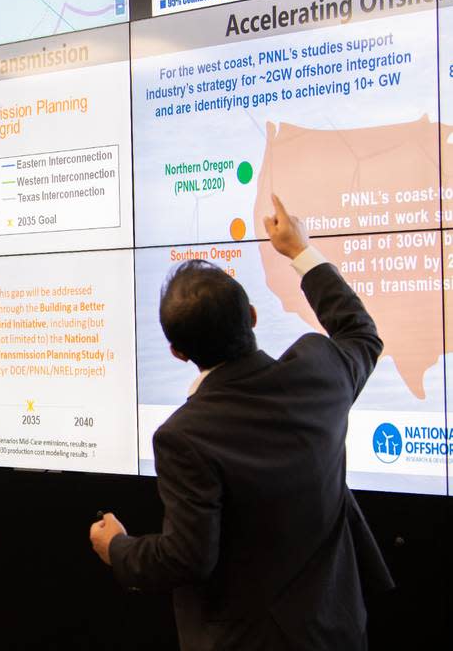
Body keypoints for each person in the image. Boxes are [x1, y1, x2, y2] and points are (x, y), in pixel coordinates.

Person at [90, 195, 393, 650]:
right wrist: (298, 251)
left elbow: (188, 559)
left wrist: (118, 548)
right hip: (336, 629)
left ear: (178, 352)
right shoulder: (318, 370)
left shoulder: (183, 437)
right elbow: (360, 333)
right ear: (252, 317)